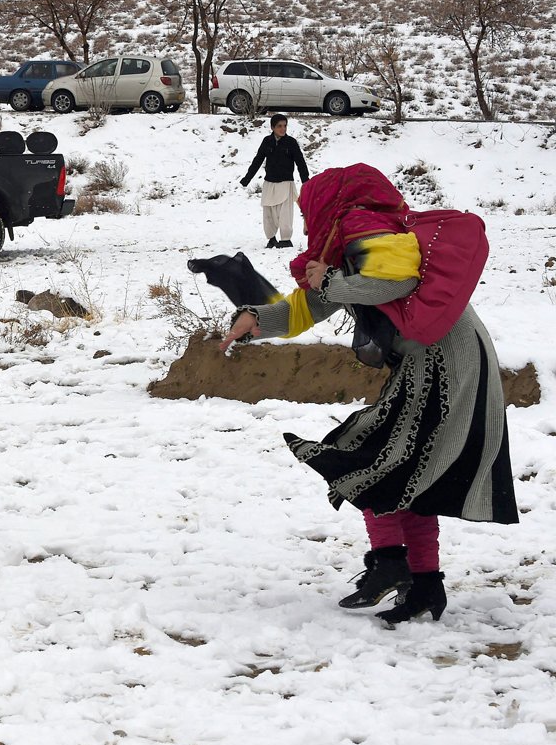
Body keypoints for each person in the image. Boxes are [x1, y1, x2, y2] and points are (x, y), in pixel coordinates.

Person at [219, 163, 517, 625]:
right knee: (408, 475)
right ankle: (423, 587)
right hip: (432, 360)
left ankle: (390, 564)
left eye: (306, 208)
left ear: (327, 203)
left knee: (369, 459)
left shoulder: (366, 226)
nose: (304, 219)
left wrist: (329, 281)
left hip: (445, 361)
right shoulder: (352, 239)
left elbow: (390, 284)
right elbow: (315, 303)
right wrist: (256, 319)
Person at [240, 113, 310, 249]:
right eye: (279, 126)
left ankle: (285, 239)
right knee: (268, 213)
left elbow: (301, 162)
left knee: (285, 214)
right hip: (270, 183)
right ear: (272, 127)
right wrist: (247, 178)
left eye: (285, 126)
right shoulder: (267, 141)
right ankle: (271, 238)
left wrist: (306, 182)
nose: (283, 129)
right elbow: (258, 160)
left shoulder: (291, 143)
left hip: (286, 183)